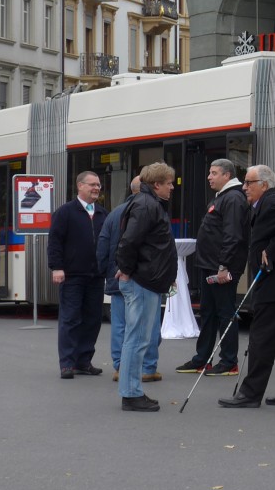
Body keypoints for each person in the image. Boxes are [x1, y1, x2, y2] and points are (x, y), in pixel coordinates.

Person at [219, 164, 275, 409]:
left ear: (264, 185)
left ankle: (250, 394)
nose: (244, 187)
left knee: (261, 339)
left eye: (249, 183)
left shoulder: (272, 203)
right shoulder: (274, 200)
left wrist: (273, 251)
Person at [175, 159, 249, 377]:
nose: (209, 177)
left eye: (214, 173)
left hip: (221, 269)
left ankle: (229, 362)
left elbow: (233, 235)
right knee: (208, 313)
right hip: (210, 266)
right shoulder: (224, 197)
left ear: (227, 175)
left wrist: (224, 265)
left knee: (225, 313)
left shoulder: (233, 198)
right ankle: (202, 359)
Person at [114, 162, 178, 412]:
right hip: (143, 281)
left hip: (145, 279)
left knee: (137, 337)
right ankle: (131, 393)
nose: (172, 187)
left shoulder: (144, 203)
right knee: (138, 338)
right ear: (157, 184)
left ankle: (132, 391)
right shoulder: (147, 205)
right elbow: (129, 242)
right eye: (169, 183)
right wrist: (128, 269)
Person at [97, 177, 161, 383]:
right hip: (143, 278)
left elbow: (103, 246)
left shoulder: (114, 213)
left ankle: (120, 366)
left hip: (117, 277)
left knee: (120, 325)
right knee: (148, 324)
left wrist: (104, 273)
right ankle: (148, 367)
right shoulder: (151, 209)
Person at [47, 171, 106, 380]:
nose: (96, 188)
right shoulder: (65, 212)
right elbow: (55, 241)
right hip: (72, 275)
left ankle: (84, 361)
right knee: (70, 319)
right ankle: (67, 364)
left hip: (96, 276)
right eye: (92, 184)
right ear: (80, 186)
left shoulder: (101, 213)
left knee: (92, 319)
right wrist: (57, 267)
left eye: (98, 185)